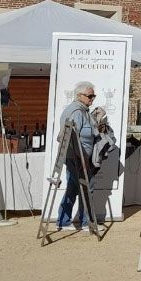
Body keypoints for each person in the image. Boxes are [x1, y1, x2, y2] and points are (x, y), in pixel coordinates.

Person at [56, 81, 97, 231]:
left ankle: (63, 220)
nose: (92, 99)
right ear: (79, 96)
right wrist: (81, 159)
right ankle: (86, 222)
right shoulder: (76, 112)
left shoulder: (82, 110)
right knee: (87, 186)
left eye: (94, 96)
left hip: (77, 157)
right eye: (89, 96)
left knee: (73, 187)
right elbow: (70, 139)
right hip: (76, 157)